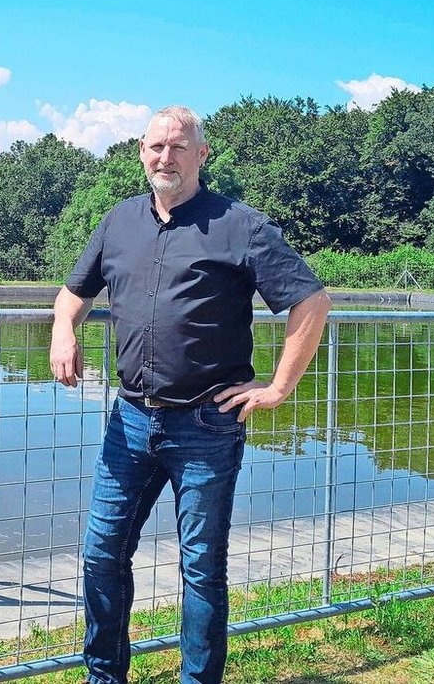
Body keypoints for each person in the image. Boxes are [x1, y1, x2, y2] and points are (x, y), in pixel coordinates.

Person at [50, 105, 331, 684]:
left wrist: (279, 386)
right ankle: (104, 677)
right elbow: (72, 291)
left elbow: (310, 300)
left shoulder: (241, 225)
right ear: (140, 152)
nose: (165, 157)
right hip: (128, 421)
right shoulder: (118, 222)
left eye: (179, 148)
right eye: (156, 147)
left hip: (206, 426)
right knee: (102, 555)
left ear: (202, 155)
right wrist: (63, 329)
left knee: (201, 567)